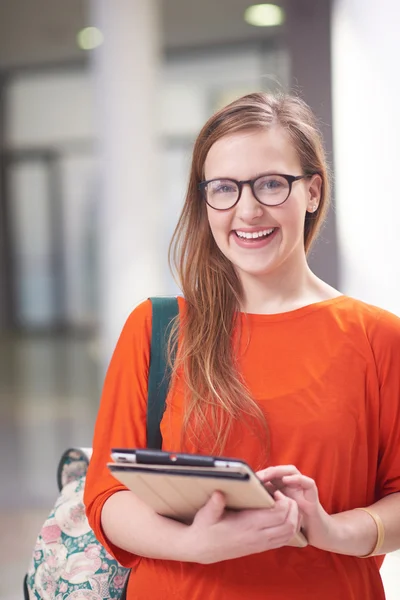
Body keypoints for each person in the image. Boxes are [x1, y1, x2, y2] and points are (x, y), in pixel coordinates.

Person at [84, 92, 400, 600]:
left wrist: (332, 530)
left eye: (272, 184)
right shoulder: (158, 328)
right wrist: (196, 545)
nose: (247, 210)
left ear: (313, 191)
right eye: (224, 189)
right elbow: (106, 495)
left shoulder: (378, 337)